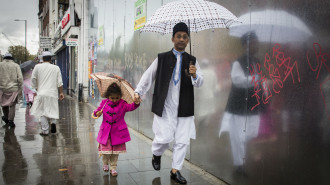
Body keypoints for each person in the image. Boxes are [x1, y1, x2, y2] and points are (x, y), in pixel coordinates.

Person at [134, 22, 204, 184]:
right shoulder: (162, 58)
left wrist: (195, 75)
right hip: (165, 106)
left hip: (185, 106)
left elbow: (200, 82)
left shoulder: (192, 60)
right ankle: (156, 153)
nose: (181, 39)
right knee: (163, 138)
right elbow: (148, 76)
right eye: (178, 36)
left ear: (188, 40)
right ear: (173, 38)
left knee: (182, 140)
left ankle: (175, 170)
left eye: (185, 37)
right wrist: (138, 91)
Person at [218, 32, 265, 175]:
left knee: (251, 131)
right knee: (238, 137)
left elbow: (259, 82)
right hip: (238, 105)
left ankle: (243, 158)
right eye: (254, 43)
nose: (257, 45)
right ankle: (240, 166)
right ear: (246, 45)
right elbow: (238, 80)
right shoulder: (238, 62)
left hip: (252, 104)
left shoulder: (257, 61)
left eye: (257, 42)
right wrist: (255, 79)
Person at [93, 83, 140, 176]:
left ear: (120, 96)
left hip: (118, 133)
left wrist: (136, 102)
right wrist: (97, 113)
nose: (115, 100)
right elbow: (97, 111)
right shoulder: (104, 103)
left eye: (117, 98)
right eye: (112, 98)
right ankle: (105, 163)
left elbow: (131, 107)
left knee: (115, 152)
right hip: (106, 132)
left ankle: (113, 168)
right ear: (108, 96)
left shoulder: (123, 103)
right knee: (106, 151)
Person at [30, 51, 64, 136]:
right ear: (51, 59)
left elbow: (33, 79)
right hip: (52, 93)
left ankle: (45, 130)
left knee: (42, 112)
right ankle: (53, 123)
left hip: (41, 92)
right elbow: (59, 82)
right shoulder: (56, 68)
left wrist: (35, 88)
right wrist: (61, 92)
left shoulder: (37, 67)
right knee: (52, 109)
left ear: (42, 58)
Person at [0, 53, 23, 127]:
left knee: (4, 105)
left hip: (2, 88)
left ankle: (6, 118)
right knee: (12, 105)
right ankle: (11, 120)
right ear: (11, 58)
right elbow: (20, 78)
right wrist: (20, 87)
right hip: (13, 88)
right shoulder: (16, 65)